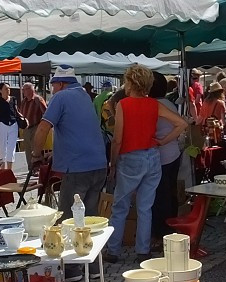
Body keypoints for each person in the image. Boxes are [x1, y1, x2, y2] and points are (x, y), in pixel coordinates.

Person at [105, 65, 187, 263]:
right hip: (152, 156)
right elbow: (182, 123)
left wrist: (113, 163)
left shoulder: (123, 105)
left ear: (130, 82)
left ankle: (113, 251)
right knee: (145, 207)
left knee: (121, 206)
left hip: (130, 157)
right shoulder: (154, 104)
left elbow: (117, 139)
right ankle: (143, 250)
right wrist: (164, 141)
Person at [33, 67, 107, 224]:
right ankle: (91, 247)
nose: (52, 90)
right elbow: (79, 130)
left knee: (67, 219)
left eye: (53, 86)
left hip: (77, 169)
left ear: (60, 84)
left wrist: (35, 155)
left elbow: (43, 128)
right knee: (89, 219)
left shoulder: (61, 97)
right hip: (98, 165)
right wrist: (58, 153)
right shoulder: (84, 96)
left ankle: (67, 247)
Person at [149, 72, 185, 243]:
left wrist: (163, 141)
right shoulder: (169, 103)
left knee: (161, 196)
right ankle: (171, 227)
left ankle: (163, 232)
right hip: (173, 154)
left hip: (162, 156)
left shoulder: (154, 105)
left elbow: (180, 125)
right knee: (169, 193)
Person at [0, 82, 19, 171]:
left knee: (11, 147)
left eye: (9, 88)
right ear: (0, 90)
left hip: (13, 124)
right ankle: (3, 169)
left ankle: (9, 170)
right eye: (6, 88)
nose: (8, 90)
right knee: (2, 147)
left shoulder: (13, 99)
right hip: (1, 124)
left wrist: (23, 119)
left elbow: (16, 111)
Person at [18, 82, 47, 172]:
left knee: (36, 148)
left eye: (25, 89)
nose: (23, 91)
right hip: (26, 128)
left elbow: (45, 113)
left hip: (36, 127)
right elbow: (21, 113)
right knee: (28, 149)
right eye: (23, 89)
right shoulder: (24, 101)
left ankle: (38, 169)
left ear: (31, 90)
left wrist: (41, 126)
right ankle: (30, 169)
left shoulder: (38, 100)